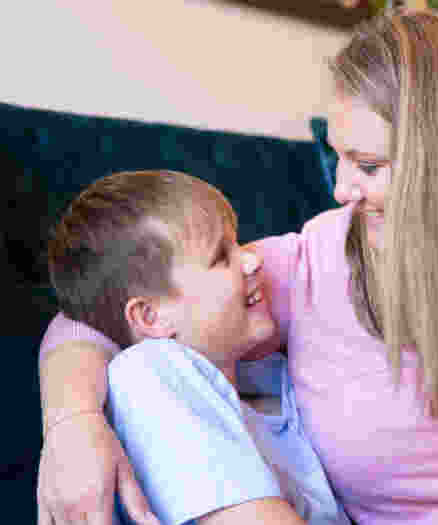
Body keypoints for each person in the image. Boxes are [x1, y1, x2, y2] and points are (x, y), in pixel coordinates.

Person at [38, 8, 438, 525]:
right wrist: (72, 424)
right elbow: (99, 314)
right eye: (339, 156)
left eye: (366, 163)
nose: (340, 189)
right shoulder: (317, 261)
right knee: (143, 370)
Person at [43, 170, 350, 525]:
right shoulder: (147, 370)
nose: (254, 260)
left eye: (239, 243)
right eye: (222, 256)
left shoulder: (277, 379)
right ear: (151, 316)